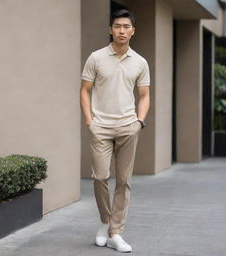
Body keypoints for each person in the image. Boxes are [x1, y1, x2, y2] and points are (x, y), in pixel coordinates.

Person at [80, 9, 150, 253]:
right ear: (110, 29)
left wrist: (139, 122)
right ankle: (104, 221)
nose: (121, 30)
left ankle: (115, 232)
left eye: (126, 26)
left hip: (128, 127)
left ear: (133, 31)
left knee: (123, 181)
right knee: (100, 177)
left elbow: (144, 95)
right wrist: (90, 121)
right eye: (117, 26)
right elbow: (84, 90)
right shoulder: (96, 58)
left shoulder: (140, 62)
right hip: (100, 127)